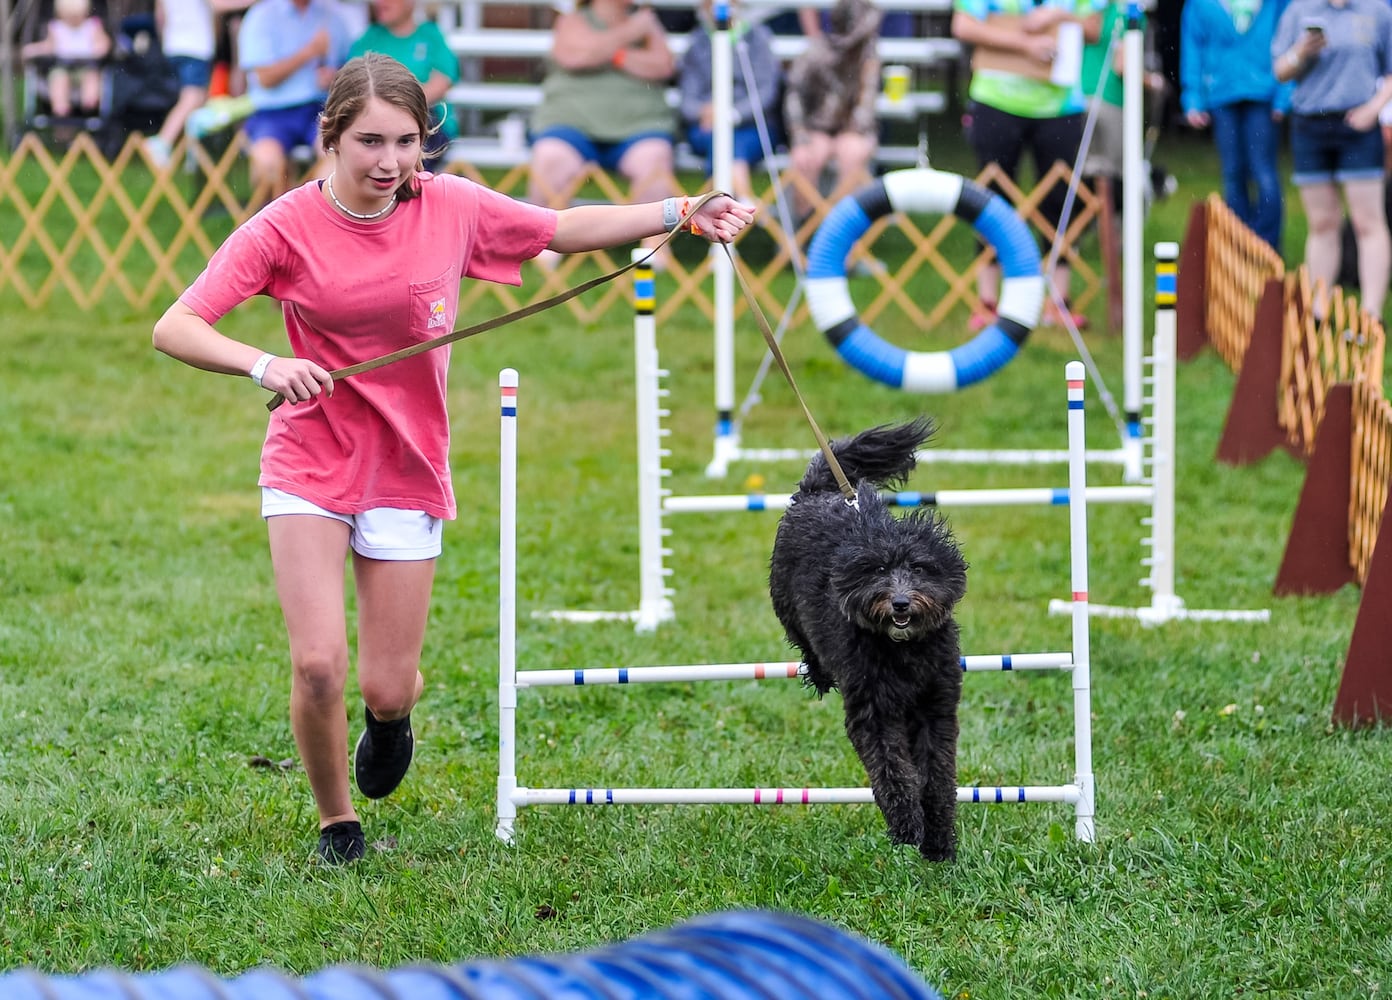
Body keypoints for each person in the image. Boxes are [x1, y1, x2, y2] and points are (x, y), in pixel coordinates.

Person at [150, 53, 753, 865]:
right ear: (330, 137)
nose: (391, 162)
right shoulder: (284, 227)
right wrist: (266, 364)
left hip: (406, 465)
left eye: (407, 142)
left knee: (384, 687)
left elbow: (560, 229)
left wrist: (680, 209)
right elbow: (176, 325)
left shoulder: (450, 207)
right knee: (320, 663)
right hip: (310, 459)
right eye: (369, 142)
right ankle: (337, 822)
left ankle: (391, 721)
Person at [951, 0, 1105, 330]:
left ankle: (1058, 302)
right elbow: (963, 26)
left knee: (1061, 202)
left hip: (1060, 105)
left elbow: (1094, 29)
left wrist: (1058, 15)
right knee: (991, 201)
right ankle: (989, 302)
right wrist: (1025, 44)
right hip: (996, 101)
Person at [528, 0, 680, 269]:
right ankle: (545, 243)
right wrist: (629, 36)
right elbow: (573, 57)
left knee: (654, 158)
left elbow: (663, 67)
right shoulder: (574, 20)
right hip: (572, 124)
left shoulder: (647, 22)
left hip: (638, 127)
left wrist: (609, 53)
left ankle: (654, 248)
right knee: (550, 156)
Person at [1274, 0, 1392, 319]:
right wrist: (1302, 50)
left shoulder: (1377, 11)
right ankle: (1319, 311)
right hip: (1309, 125)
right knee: (1323, 223)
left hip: (1358, 125)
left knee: (1368, 221)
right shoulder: (1299, 10)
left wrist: (1374, 108)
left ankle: (1371, 314)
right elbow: (1280, 71)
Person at [1179, 0, 1289, 254]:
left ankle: (1267, 250)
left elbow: (1288, 39)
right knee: (1233, 174)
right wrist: (1193, 97)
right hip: (1222, 93)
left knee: (1264, 173)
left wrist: (1284, 97)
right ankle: (1239, 250)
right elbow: (1193, 45)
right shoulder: (1200, 4)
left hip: (1263, 95)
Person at [237, 0, 354, 199]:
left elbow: (349, 69)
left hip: (321, 108)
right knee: (268, 164)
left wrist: (334, 77)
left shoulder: (333, 16)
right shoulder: (262, 16)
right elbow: (265, 78)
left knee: (339, 157)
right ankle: (278, 221)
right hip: (273, 113)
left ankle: (312, 213)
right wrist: (309, 52)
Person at [782, 0, 881, 222]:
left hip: (853, 130)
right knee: (806, 157)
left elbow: (866, 104)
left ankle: (844, 232)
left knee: (852, 153)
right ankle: (804, 233)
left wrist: (849, 132)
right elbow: (794, 97)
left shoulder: (869, 57)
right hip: (816, 127)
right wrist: (801, 137)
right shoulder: (815, 53)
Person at [677, 0, 783, 204]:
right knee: (720, 139)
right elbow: (687, 100)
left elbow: (766, 93)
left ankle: (725, 203)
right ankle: (741, 199)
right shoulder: (697, 43)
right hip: (707, 126)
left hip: (752, 126)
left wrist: (731, 114)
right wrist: (705, 112)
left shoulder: (757, 38)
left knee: (729, 141)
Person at [348, 0, 460, 173]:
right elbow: (352, 82)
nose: (379, 2)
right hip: (375, 118)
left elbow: (442, 82)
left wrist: (396, 106)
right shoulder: (369, 37)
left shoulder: (430, 35)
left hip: (423, 117)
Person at [21, 0, 111, 122]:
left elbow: (104, 44)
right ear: (61, 14)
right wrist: (33, 49)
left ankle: (90, 104)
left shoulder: (93, 26)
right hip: (62, 66)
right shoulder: (56, 27)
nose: (74, 20)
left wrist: (100, 48)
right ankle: (61, 108)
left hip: (86, 66)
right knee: (58, 79)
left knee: (92, 77)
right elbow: (48, 46)